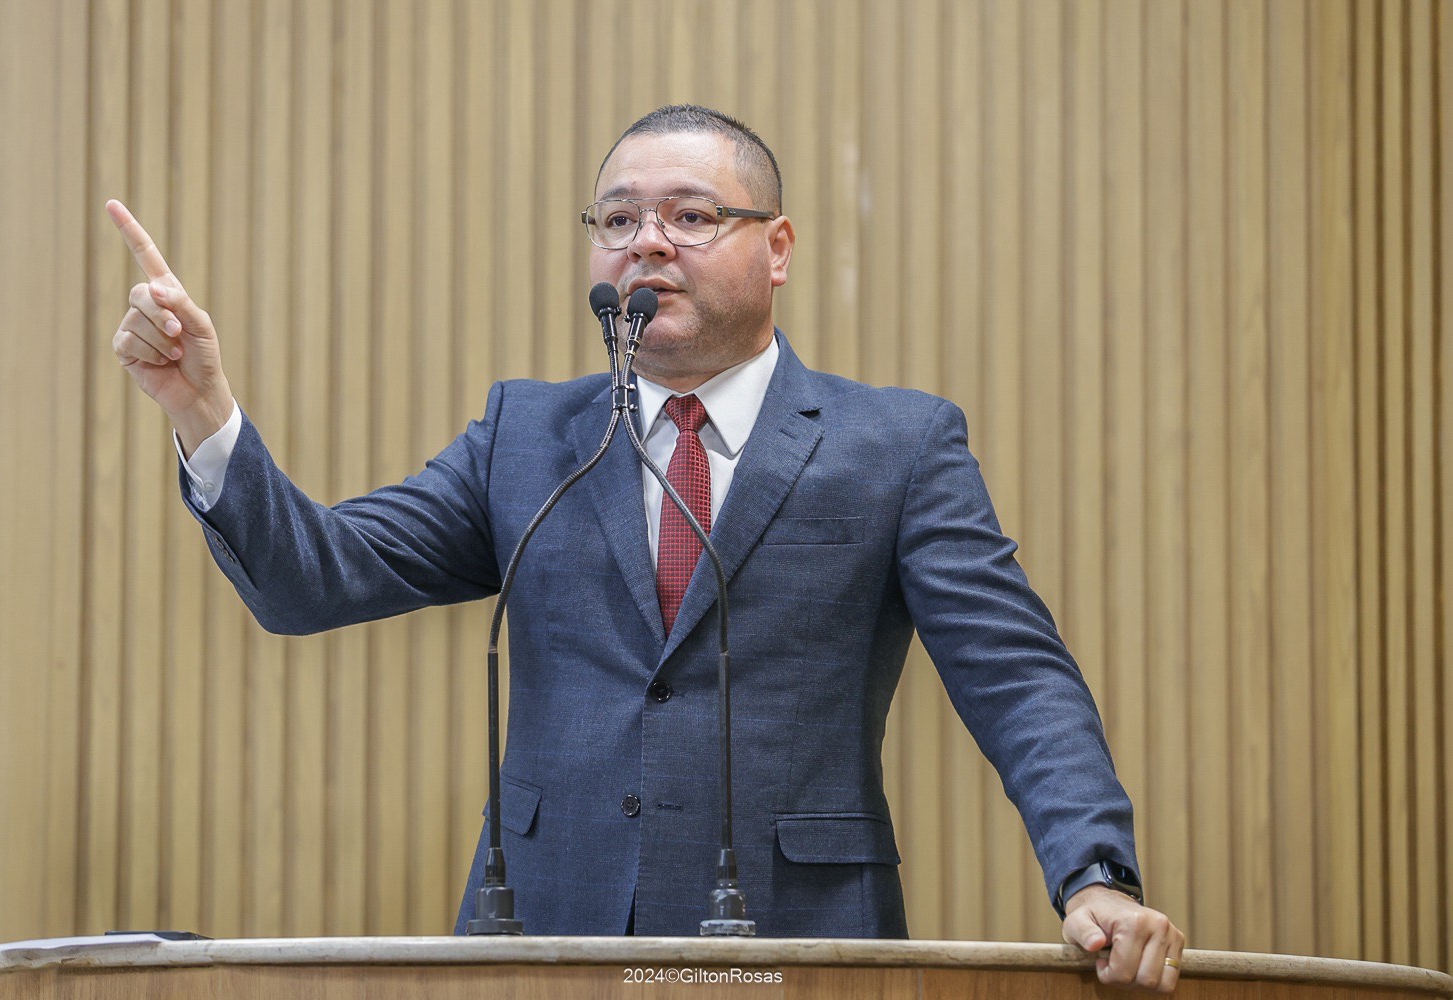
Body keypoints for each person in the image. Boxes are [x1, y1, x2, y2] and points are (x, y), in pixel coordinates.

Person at [108, 104, 1185, 991]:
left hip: (795, 944)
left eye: (690, 214)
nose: (647, 241)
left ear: (778, 248)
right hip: (543, 938)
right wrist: (205, 409)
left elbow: (1017, 676)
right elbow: (314, 579)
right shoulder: (527, 437)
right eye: (617, 219)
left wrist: (1093, 871)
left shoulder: (895, 445)